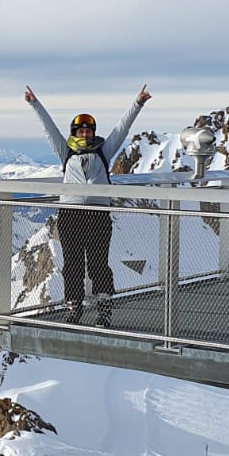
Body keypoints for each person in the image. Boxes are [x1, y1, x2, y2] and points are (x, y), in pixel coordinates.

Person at [25, 84, 151, 326]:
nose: (85, 135)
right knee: (72, 264)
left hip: (97, 214)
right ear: (75, 133)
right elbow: (49, 131)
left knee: (97, 263)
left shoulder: (105, 150)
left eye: (88, 131)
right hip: (71, 216)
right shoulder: (66, 153)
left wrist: (138, 103)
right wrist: (34, 103)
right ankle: (74, 307)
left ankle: (104, 309)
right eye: (81, 131)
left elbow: (121, 130)